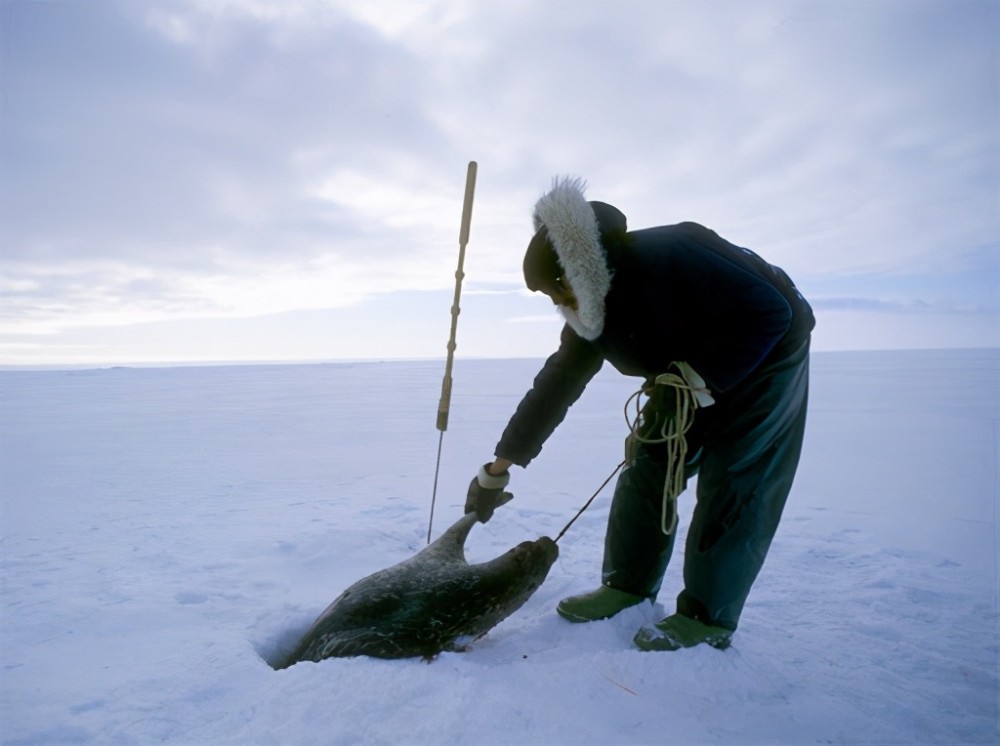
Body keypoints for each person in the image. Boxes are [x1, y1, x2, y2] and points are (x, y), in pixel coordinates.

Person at [464, 177, 815, 651]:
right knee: (649, 464)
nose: (557, 305)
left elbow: (771, 312)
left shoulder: (675, 251)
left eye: (556, 293)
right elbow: (557, 384)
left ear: (575, 270)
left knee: (734, 482)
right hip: (683, 373)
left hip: (768, 356)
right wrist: (497, 469)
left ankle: (709, 617)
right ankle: (627, 586)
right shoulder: (590, 310)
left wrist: (700, 376)